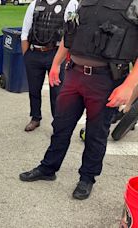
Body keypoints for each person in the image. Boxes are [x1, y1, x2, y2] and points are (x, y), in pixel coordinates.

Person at [20, 0, 138, 200]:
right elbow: (70, 35)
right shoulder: (85, 2)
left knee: (96, 132)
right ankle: (48, 168)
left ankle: (87, 178)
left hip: (106, 79)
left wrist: (128, 87)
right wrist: (56, 63)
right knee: (61, 125)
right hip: (74, 74)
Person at [21, 0, 79, 131]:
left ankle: (57, 121)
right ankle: (35, 118)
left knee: (57, 92)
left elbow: (71, 34)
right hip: (34, 53)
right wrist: (27, 57)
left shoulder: (70, 4)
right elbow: (25, 33)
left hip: (56, 53)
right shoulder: (34, 5)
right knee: (34, 89)